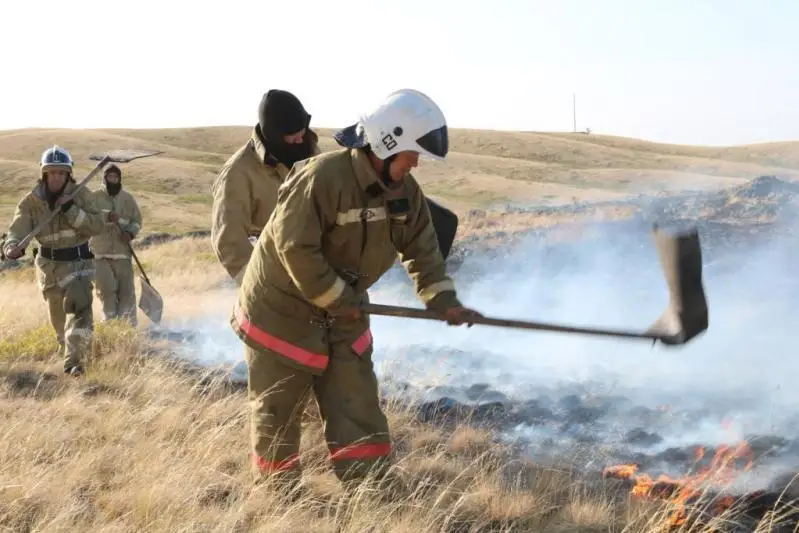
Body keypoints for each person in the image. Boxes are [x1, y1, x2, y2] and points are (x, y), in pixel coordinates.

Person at [229, 89, 483, 487]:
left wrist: (443, 301)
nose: (415, 163)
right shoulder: (320, 179)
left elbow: (423, 251)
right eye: (411, 153)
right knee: (276, 416)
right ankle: (279, 502)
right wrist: (339, 300)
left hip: (344, 315)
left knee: (358, 408)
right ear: (386, 145)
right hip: (281, 316)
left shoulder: (405, 192)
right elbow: (296, 249)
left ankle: (371, 496)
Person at [3, 146, 110, 376]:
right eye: (52, 173)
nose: (57, 178)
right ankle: (67, 351)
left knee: (80, 312)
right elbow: (18, 229)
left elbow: (97, 225)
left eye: (61, 173)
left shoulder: (80, 195)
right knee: (59, 322)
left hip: (78, 265)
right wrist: (12, 246)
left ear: (68, 174)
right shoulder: (31, 202)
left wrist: (71, 209)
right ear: (44, 174)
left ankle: (75, 364)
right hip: (48, 269)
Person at [211, 89, 321, 285]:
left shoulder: (309, 150)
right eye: (292, 136)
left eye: (302, 132)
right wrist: (260, 286)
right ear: (275, 136)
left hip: (316, 266)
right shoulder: (237, 174)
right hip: (272, 277)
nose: (300, 140)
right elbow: (229, 242)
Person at [90, 163, 143, 326]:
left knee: (127, 293)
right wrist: (106, 217)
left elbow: (136, 221)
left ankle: (129, 330)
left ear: (119, 179)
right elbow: (88, 220)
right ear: (104, 179)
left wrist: (130, 233)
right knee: (107, 291)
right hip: (99, 254)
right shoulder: (94, 197)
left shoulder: (128, 199)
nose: (113, 180)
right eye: (110, 177)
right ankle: (110, 327)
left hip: (122, 254)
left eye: (116, 177)